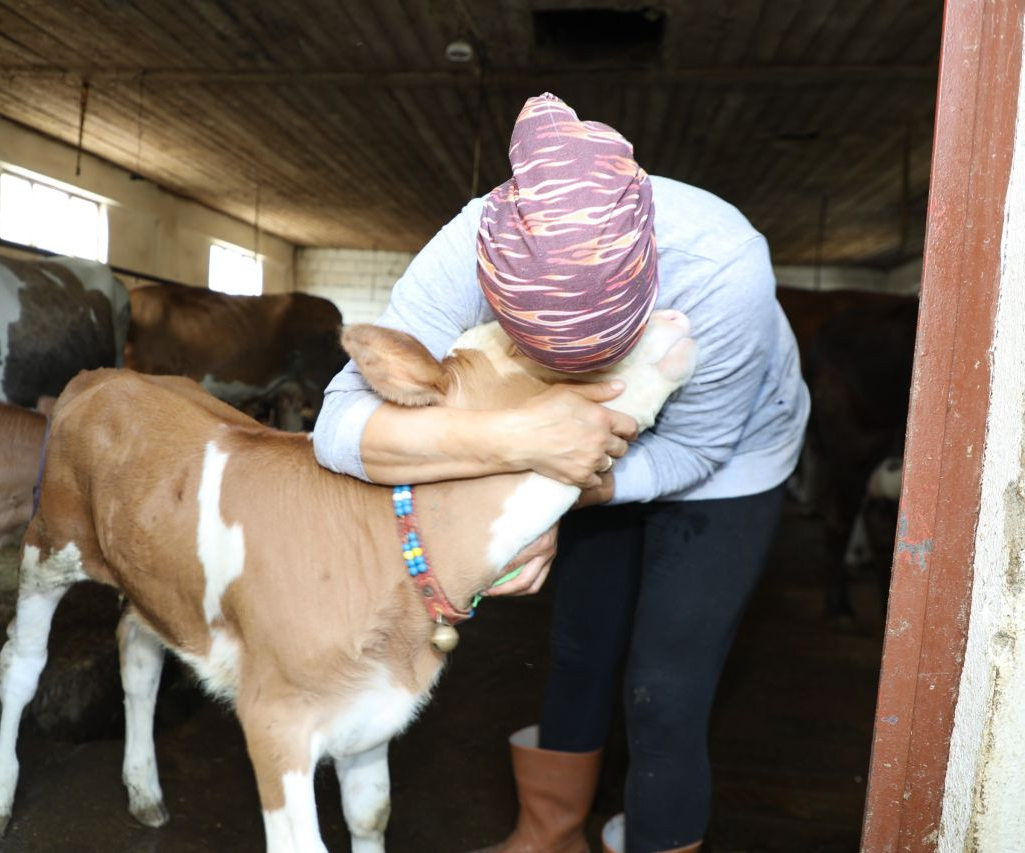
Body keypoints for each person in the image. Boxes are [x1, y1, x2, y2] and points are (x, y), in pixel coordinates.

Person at [312, 93, 809, 853]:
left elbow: (696, 451)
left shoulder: (721, 268)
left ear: (650, 279)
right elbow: (339, 428)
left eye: (601, 354)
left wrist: (570, 489)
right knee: (580, 645)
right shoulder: (467, 251)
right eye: (551, 360)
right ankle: (552, 835)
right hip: (559, 442)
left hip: (727, 462)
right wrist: (523, 440)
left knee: (665, 689)